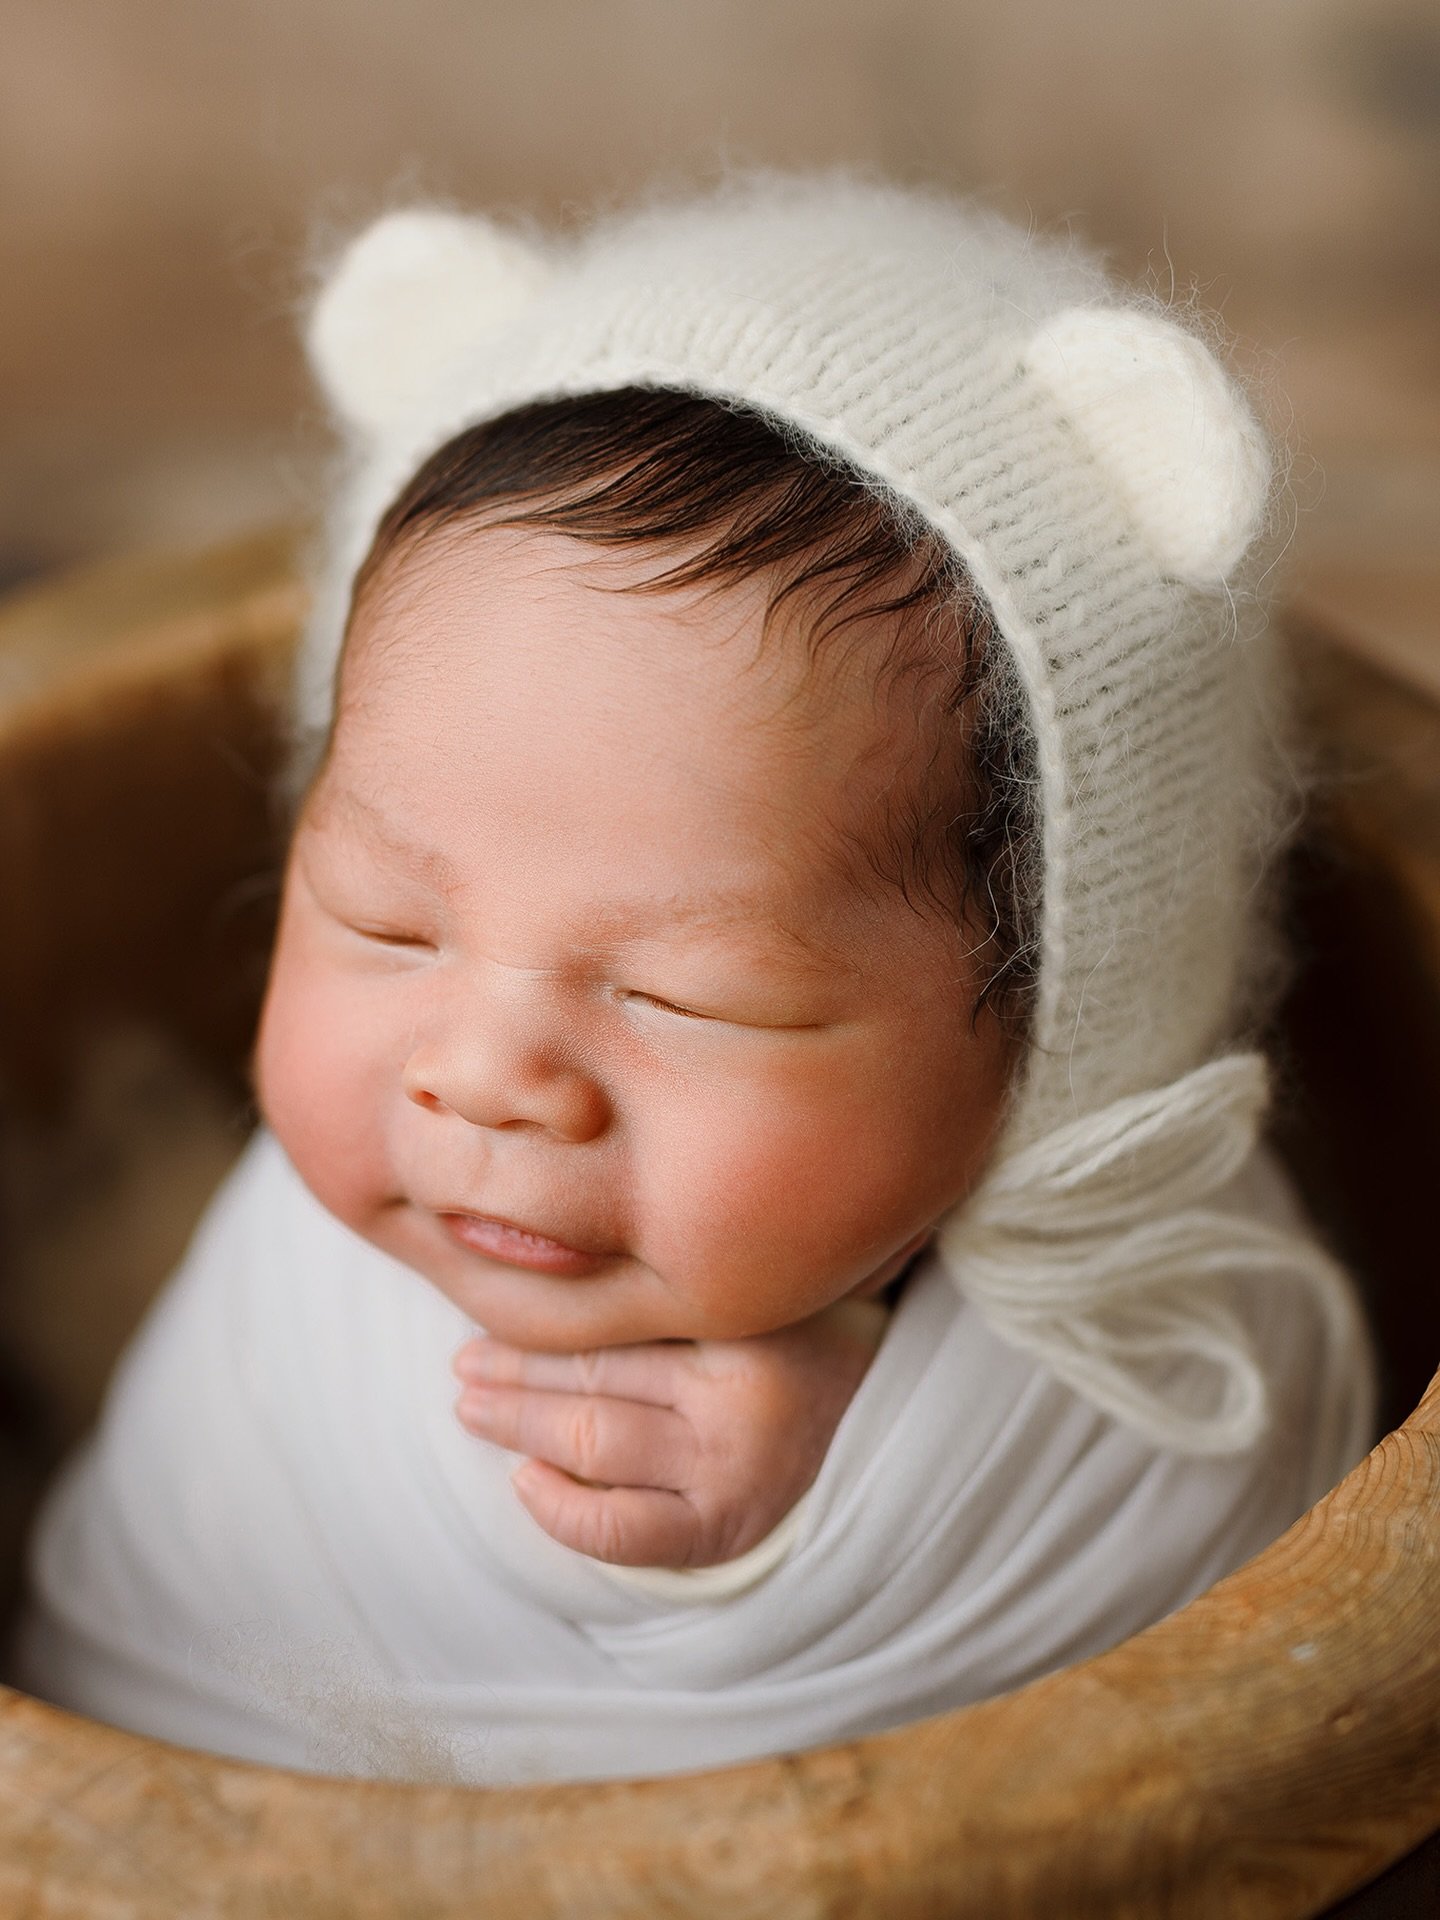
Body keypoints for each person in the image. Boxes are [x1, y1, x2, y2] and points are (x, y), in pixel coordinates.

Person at [11, 176, 1375, 1785]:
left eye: (685, 998)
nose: (485, 1072)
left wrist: (856, 1490)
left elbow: (1224, 1666)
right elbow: (135, 1701)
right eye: (384, 923)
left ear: (1064, 1032)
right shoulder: (283, 1312)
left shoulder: (1166, 1342)